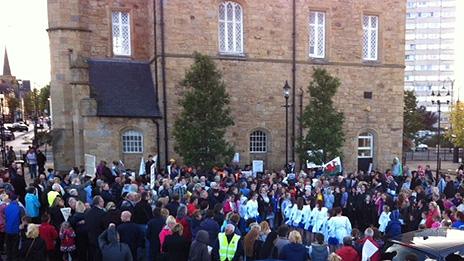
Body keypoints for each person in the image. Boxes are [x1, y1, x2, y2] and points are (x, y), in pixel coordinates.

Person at [85, 196, 107, 261]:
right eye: (102, 201)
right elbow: (104, 226)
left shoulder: (87, 213)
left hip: (90, 236)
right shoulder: (103, 213)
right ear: (99, 202)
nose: (103, 202)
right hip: (100, 237)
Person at [5, 194, 23, 261]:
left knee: (8, 246)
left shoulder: (6, 207)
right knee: (15, 247)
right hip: (16, 230)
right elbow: (23, 219)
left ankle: (8, 258)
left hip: (7, 229)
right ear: (17, 199)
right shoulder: (19, 208)